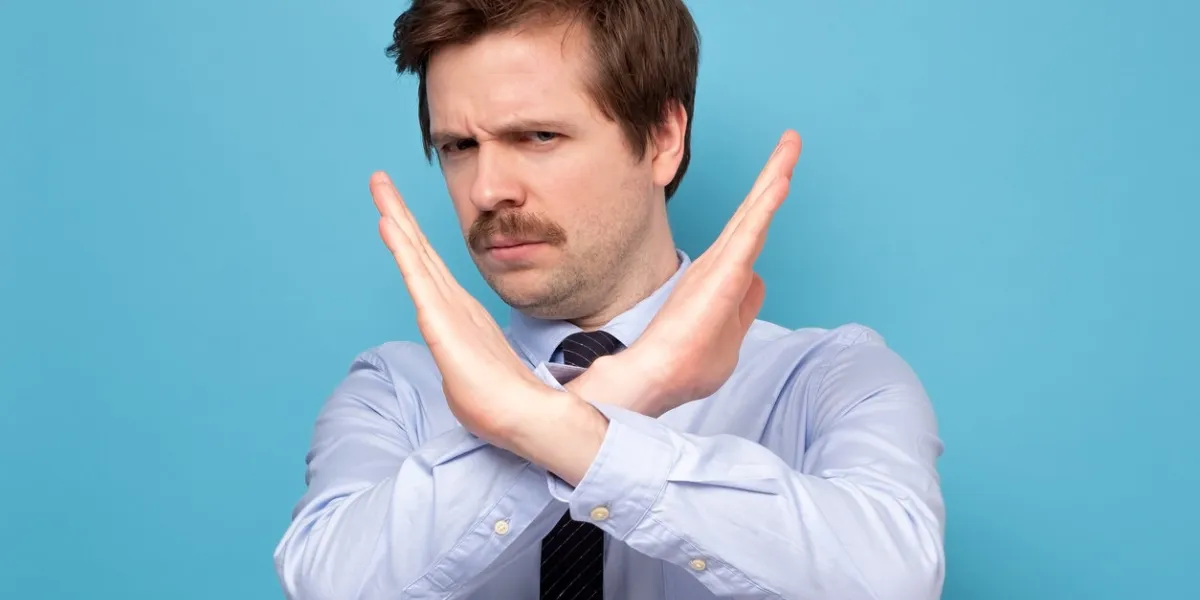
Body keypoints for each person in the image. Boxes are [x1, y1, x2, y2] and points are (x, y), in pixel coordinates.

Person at [273, 0, 946, 598]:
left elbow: (892, 581)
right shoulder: (394, 392)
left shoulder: (831, 379)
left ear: (662, 139)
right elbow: (330, 585)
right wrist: (628, 391)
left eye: (538, 137)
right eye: (457, 146)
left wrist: (557, 429)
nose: (487, 190)